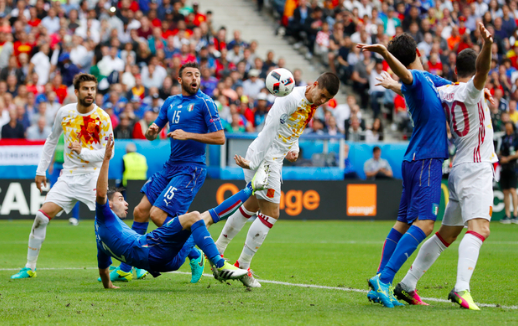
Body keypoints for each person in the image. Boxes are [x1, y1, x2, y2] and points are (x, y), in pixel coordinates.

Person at [382, 24, 496, 310]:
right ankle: (461, 288)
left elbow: (417, 87)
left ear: (455, 70)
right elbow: (481, 72)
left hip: (458, 168)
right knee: (480, 229)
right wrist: (488, 46)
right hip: (477, 166)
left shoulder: (444, 92)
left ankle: (407, 283)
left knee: (447, 234)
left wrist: (393, 85)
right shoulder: (470, 91)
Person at [214, 72, 340, 287]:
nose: (322, 101)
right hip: (265, 159)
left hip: (273, 159)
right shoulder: (289, 98)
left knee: (251, 206)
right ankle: (243, 266)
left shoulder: (311, 104)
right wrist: (252, 161)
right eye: (322, 95)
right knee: (271, 213)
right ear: (314, 84)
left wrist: (293, 147)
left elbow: (293, 128)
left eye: (327, 99)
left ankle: (217, 252)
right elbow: (269, 129)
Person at [96, 136, 269, 289]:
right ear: (108, 205)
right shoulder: (105, 217)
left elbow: (103, 270)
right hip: (154, 250)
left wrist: (108, 286)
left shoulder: (100, 239)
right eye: (120, 199)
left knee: (204, 219)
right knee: (194, 217)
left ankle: (252, 187)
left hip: (168, 262)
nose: (124, 202)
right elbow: (101, 193)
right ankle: (219, 264)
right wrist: (106, 160)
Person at [358, 34, 452, 307]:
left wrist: (394, 85)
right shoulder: (418, 77)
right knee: (425, 223)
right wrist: (386, 56)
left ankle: (379, 281)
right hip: (426, 159)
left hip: (413, 159)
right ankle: (385, 279)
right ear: (418, 51)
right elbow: (410, 78)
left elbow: (454, 87)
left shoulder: (428, 81)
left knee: (403, 223)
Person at [109, 62, 225, 283]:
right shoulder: (170, 103)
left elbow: (220, 137)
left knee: (158, 215)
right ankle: (126, 268)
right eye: (189, 75)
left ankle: (194, 252)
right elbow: (151, 134)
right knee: (140, 212)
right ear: (180, 80)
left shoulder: (206, 103)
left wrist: (188, 135)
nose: (195, 78)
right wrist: (151, 131)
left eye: (197, 75)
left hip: (191, 169)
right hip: (171, 165)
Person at [11, 74, 113, 279]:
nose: (90, 92)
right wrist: (40, 171)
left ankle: (133, 265)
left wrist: (82, 151)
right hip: (68, 177)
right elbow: (51, 140)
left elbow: (108, 153)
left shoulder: (102, 117)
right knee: (41, 217)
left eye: (93, 89)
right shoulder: (64, 113)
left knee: (113, 222)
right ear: (76, 92)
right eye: (86, 89)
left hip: (93, 176)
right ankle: (30, 267)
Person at [498, 121, 518, 224]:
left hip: (513, 167)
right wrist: (501, 157)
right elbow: (500, 152)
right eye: (506, 128)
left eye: (509, 128)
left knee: (513, 190)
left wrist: (508, 159)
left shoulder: (516, 138)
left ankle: (515, 214)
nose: (508, 130)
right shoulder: (503, 138)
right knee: (505, 191)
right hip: (504, 168)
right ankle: (507, 215)